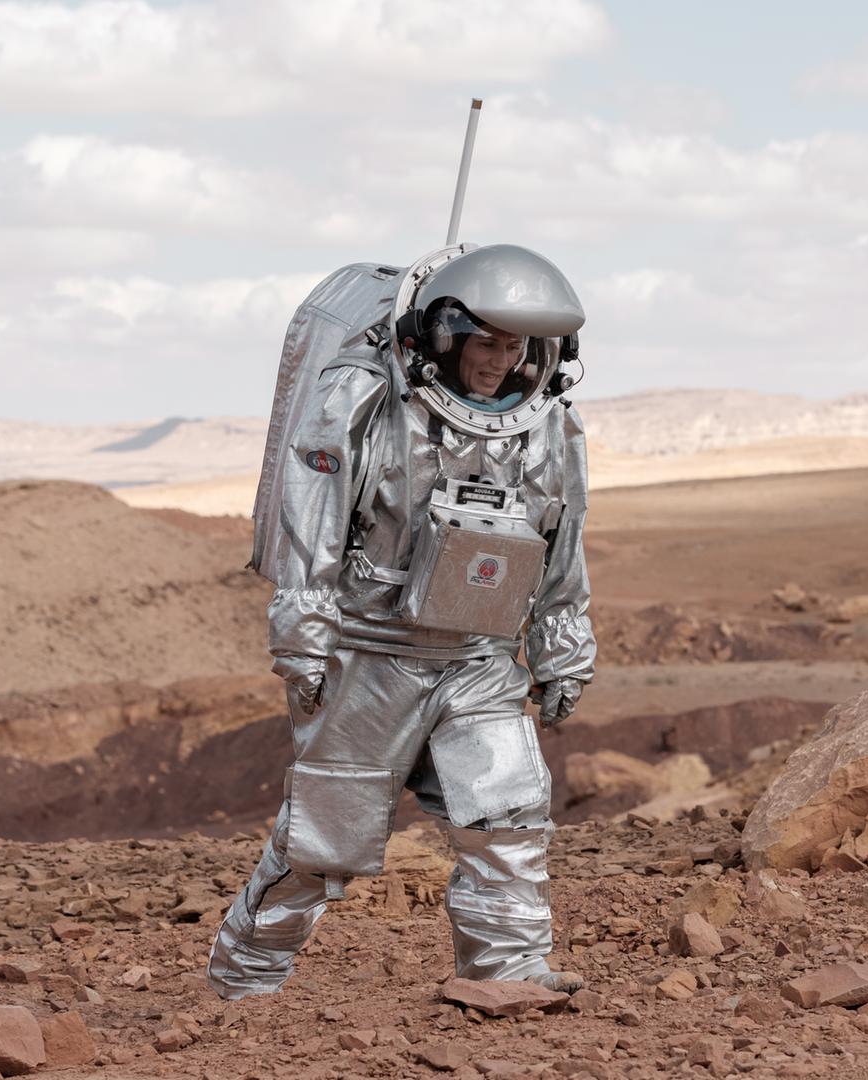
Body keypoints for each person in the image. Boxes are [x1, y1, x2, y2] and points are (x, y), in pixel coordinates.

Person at [208, 244, 596, 999]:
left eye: (516, 346)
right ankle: (244, 989)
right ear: (443, 333)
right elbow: (310, 523)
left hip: (480, 654)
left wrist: (562, 647)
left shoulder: (546, 424)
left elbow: (562, 539)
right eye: (486, 341)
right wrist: (304, 636)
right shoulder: (362, 398)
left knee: (508, 821)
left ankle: (506, 976)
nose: (500, 361)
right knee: (327, 847)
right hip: (368, 652)